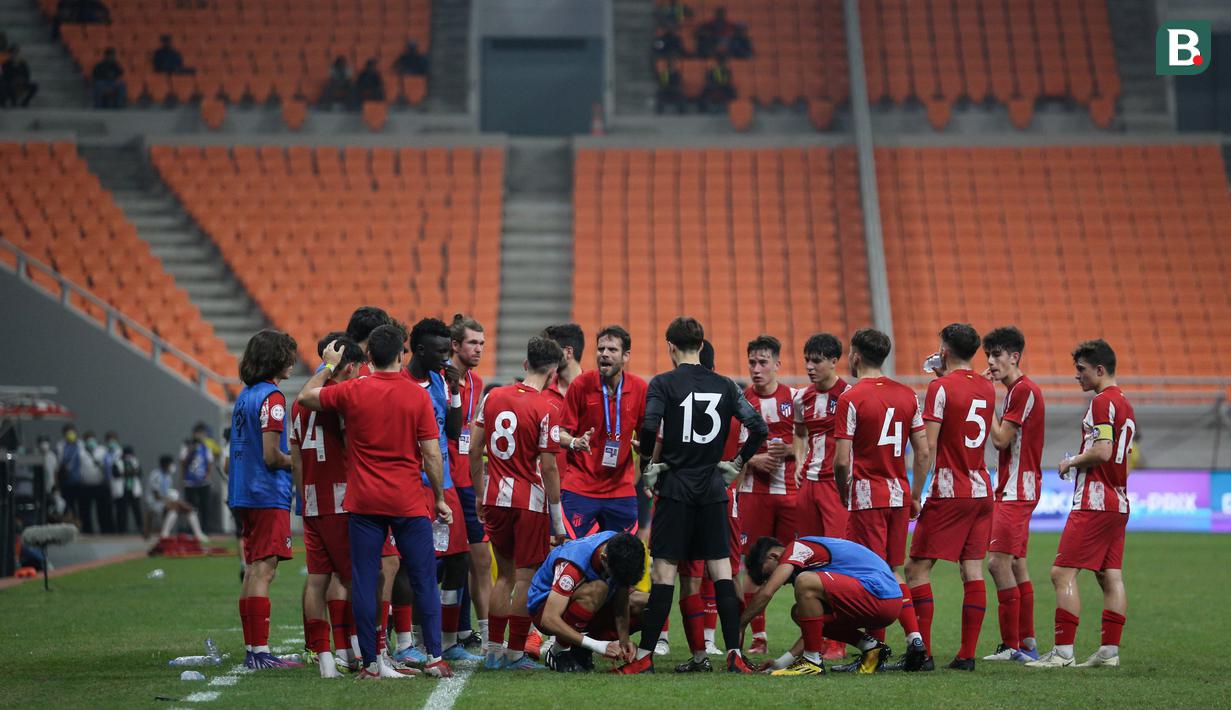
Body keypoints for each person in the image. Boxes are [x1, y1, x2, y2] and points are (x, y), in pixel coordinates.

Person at [299, 325, 454, 680]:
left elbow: (306, 397)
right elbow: (431, 454)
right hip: (408, 501)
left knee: (366, 581)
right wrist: (441, 498)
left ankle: (370, 662)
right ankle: (432, 657)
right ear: (403, 353)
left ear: (368, 356)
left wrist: (327, 366)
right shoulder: (417, 396)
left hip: (364, 502)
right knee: (424, 579)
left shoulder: (353, 390)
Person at [614, 316, 768, 674]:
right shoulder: (726, 386)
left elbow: (650, 426)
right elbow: (758, 427)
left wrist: (647, 465)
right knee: (721, 572)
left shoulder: (663, 384)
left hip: (676, 488)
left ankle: (645, 656)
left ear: (670, 347)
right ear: (701, 346)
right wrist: (736, 462)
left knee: (665, 571)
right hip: (713, 489)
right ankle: (734, 653)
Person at [1028, 339, 1134, 670]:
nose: (1077, 376)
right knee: (1110, 575)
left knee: (1061, 573)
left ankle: (1062, 653)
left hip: (1094, 501)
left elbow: (1103, 451)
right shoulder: (1125, 404)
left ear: (1099, 370)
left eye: (1081, 370)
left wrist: (1070, 462)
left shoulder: (1103, 403)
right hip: (1118, 502)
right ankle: (1108, 651)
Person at [831, 328, 930, 672]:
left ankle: (874, 653)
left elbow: (842, 460)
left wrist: (844, 491)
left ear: (855, 356)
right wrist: (915, 493)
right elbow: (923, 451)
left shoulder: (851, 397)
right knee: (894, 569)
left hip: (867, 495)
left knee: (871, 574)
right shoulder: (908, 395)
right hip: (899, 494)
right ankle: (914, 639)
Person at [470, 336, 567, 671]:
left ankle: (493, 651)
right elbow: (550, 466)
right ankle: (514, 653)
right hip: (529, 502)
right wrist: (557, 519)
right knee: (525, 577)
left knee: (504, 576)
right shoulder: (546, 408)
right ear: (553, 373)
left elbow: (474, 448)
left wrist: (479, 492)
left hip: (495, 497)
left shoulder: (493, 396)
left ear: (526, 364)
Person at [905, 323, 996, 672]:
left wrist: (916, 493)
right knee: (971, 568)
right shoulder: (988, 387)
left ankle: (923, 653)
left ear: (943, 349)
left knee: (916, 568)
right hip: (981, 489)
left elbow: (926, 449)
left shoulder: (939, 388)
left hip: (950, 488)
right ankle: (966, 656)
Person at [398, 318, 480, 663]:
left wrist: (457, 391)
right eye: (441, 351)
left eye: (449, 351)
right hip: (412, 484)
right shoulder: (400, 383)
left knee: (459, 557)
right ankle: (410, 639)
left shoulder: (438, 379)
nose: (447, 358)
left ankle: (448, 640)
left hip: (442, 481)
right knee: (417, 564)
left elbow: (454, 428)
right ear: (419, 350)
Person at [290, 336, 365, 677]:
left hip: (311, 499)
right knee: (351, 578)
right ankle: (349, 651)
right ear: (347, 365)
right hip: (340, 498)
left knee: (318, 579)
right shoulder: (340, 399)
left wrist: (302, 498)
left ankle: (324, 659)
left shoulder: (298, 403)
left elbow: (295, 460)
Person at [230, 329, 300, 670]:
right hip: (266, 492)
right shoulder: (272, 398)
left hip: (244, 491)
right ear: (277, 358)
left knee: (253, 569)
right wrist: (300, 460)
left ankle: (253, 650)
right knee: (263, 570)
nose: (292, 361)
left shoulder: (245, 395)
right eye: (288, 354)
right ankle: (259, 652)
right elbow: (273, 456)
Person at [743, 536, 904, 675]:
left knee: (805, 581)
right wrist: (780, 663)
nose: (772, 579)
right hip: (884, 600)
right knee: (799, 612)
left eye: (767, 574)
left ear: (773, 556)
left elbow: (767, 592)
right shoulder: (806, 562)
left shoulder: (797, 548)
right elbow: (814, 629)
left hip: (880, 596)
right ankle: (871, 647)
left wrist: (740, 625)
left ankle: (812, 661)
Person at [980, 326, 1045, 663]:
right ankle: (1027, 642)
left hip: (1017, 490)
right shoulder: (1017, 391)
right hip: (1015, 487)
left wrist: (984, 400)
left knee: (996, 563)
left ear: (1015, 356)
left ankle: (1011, 646)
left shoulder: (1021, 391)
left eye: (997, 355)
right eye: (988, 355)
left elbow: (1001, 440)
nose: (991, 361)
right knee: (1017, 564)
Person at [732, 335, 798, 654]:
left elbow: (814, 443)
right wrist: (752, 458)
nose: (757, 369)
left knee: (801, 565)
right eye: (752, 363)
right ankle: (758, 637)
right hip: (752, 494)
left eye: (763, 363)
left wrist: (792, 449)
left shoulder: (796, 399)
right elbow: (730, 450)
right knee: (753, 564)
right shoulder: (740, 402)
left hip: (791, 495)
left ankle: (818, 636)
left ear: (777, 364)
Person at [558, 325, 648, 538]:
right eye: (600, 349)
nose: (604, 354)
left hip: (621, 490)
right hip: (580, 486)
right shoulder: (580, 385)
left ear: (626, 355)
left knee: (622, 559)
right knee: (575, 555)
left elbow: (648, 440)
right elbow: (560, 433)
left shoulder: (639, 388)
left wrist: (644, 449)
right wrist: (574, 442)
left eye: (612, 350)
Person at [533, 531, 648, 673]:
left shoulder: (621, 550)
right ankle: (559, 651)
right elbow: (548, 619)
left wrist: (624, 640)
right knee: (599, 589)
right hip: (544, 609)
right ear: (604, 558)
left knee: (648, 604)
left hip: (585, 608)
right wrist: (598, 646)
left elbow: (621, 599)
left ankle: (579, 649)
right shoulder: (572, 566)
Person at [449, 314, 490, 652]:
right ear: (455, 345)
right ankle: (430, 635)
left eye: (481, 344)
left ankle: (482, 632)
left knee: (477, 558)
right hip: (443, 481)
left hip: (467, 480)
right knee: (446, 561)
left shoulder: (476, 383)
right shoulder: (438, 380)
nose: (478, 349)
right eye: (472, 343)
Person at [180, 423, 216, 533]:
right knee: (190, 507)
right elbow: (182, 462)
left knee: (205, 507)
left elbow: (210, 463)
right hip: (190, 482)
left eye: (203, 433)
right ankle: (191, 529)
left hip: (203, 482)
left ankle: (205, 529)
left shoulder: (206, 447)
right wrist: (191, 450)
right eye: (199, 433)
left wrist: (209, 476)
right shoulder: (186, 446)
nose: (201, 436)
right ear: (194, 433)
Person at [113, 445, 143, 534]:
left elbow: (140, 473)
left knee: (137, 510)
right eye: (127, 454)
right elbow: (116, 474)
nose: (129, 456)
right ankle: (122, 530)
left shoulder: (135, 462)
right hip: (122, 491)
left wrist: (129, 472)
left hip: (133, 491)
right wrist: (129, 472)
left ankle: (140, 528)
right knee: (122, 512)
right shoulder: (117, 463)